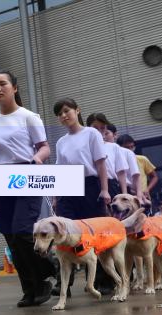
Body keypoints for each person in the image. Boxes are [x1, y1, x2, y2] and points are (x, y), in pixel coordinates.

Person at [0, 70, 55, 307]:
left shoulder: (29, 116)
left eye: (2, 83)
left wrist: (37, 160)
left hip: (26, 173)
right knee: (11, 236)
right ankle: (29, 288)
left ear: (15, 87)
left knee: (23, 230)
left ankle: (48, 274)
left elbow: (44, 148)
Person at [53, 100, 111, 295]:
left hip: (90, 184)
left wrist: (104, 190)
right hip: (68, 187)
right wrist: (56, 195)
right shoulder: (61, 142)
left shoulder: (91, 133)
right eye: (59, 113)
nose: (63, 115)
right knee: (64, 232)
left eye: (66, 111)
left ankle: (101, 280)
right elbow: (59, 171)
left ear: (77, 110)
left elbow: (101, 163)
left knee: (94, 234)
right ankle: (63, 284)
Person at [86, 114, 128, 198]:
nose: (99, 131)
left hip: (111, 185)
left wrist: (124, 193)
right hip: (92, 184)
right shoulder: (85, 147)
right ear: (88, 128)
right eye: (95, 128)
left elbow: (121, 172)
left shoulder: (113, 147)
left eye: (102, 127)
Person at [117, 134, 158, 204]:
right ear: (119, 148)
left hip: (143, 196)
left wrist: (147, 189)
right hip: (126, 196)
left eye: (132, 147)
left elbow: (154, 177)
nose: (130, 150)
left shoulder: (142, 159)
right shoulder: (117, 161)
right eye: (127, 147)